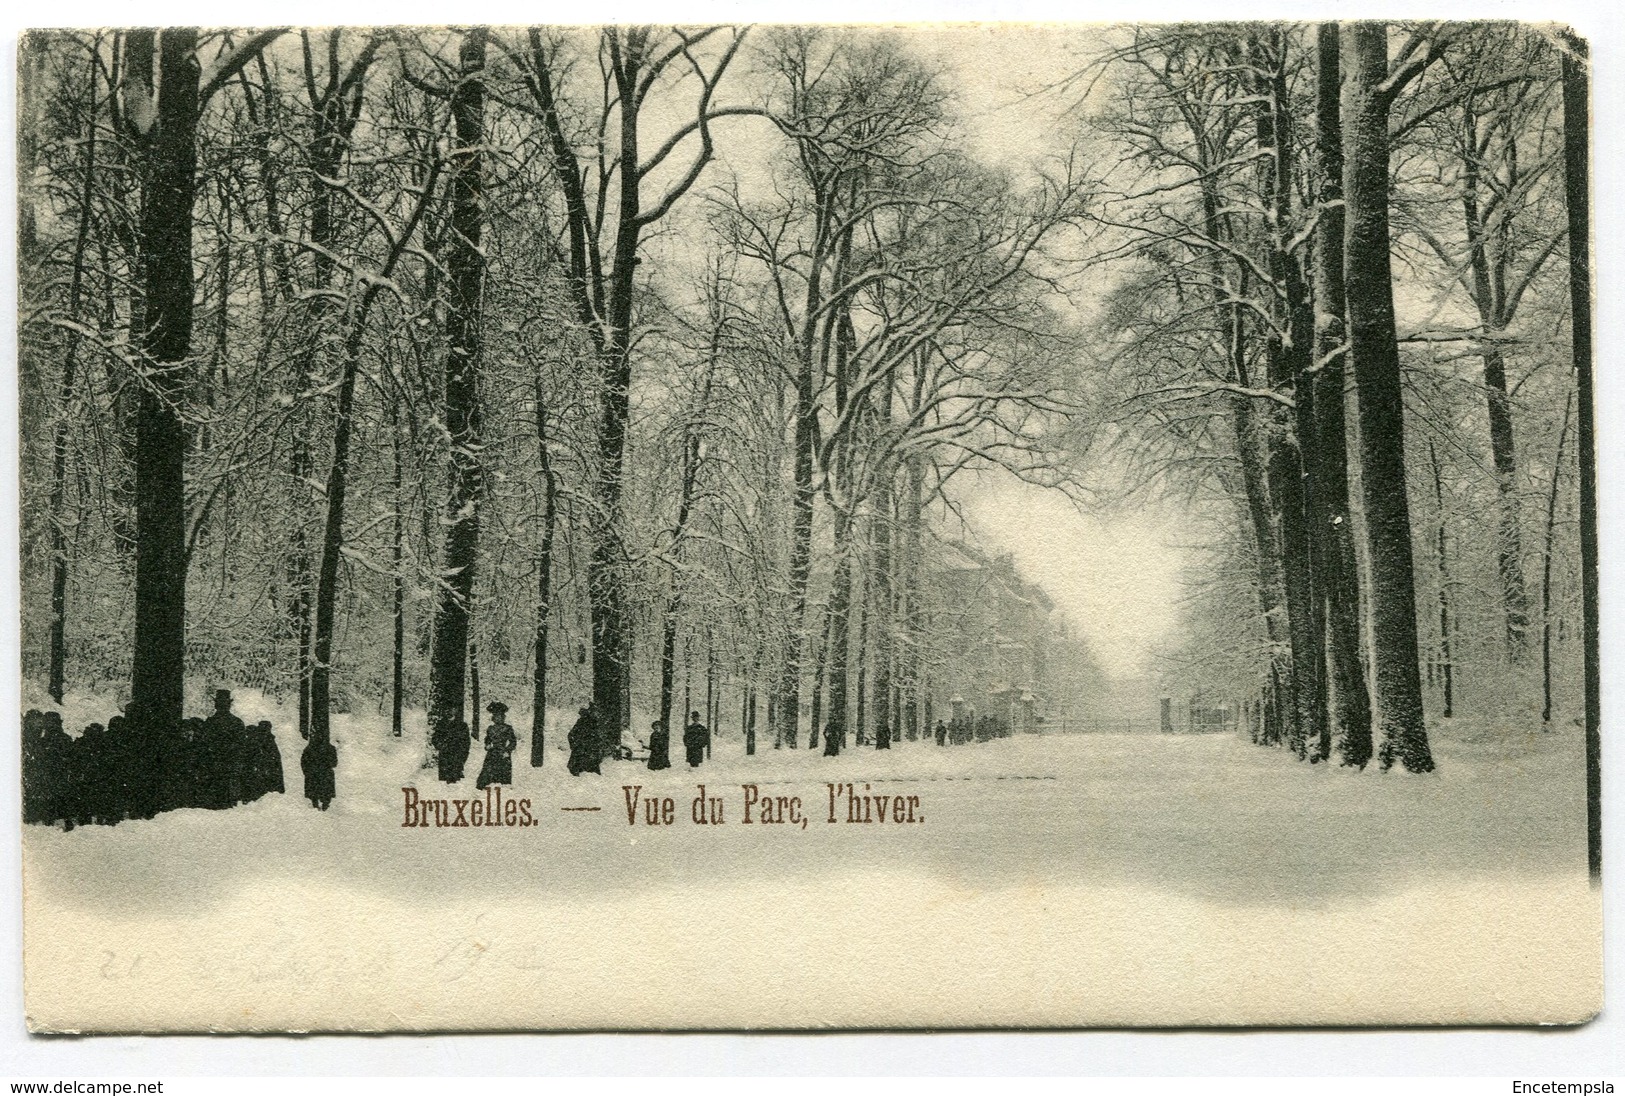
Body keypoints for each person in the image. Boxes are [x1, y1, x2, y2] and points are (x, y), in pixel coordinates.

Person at [476, 701, 517, 789]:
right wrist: (487, 745)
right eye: (496, 716)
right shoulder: (490, 729)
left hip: (503, 754)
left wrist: (507, 750)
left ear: (503, 717)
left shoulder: (508, 728)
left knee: (503, 777)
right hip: (492, 753)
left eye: (500, 716)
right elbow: (487, 739)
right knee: (487, 774)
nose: (498, 718)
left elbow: (513, 742)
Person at [300, 735, 338, 810]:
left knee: (314, 791)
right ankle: (324, 805)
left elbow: (303, 762)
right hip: (324, 775)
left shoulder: (309, 748)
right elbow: (334, 763)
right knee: (325, 791)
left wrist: (306, 771)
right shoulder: (330, 748)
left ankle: (316, 804)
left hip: (313, 775)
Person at [431, 716, 471, 783]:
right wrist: (439, 745)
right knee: (444, 782)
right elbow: (435, 738)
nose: (449, 710)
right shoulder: (441, 724)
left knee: (455, 782)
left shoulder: (462, 725)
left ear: (455, 710)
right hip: (444, 756)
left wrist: (462, 756)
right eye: (447, 708)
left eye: (453, 708)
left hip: (456, 756)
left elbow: (466, 742)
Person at [567, 705, 600, 776]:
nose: (597, 714)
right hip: (581, 754)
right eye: (595, 712)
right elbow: (571, 735)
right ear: (591, 712)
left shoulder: (594, 722)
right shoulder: (583, 721)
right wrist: (575, 746)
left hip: (589, 754)